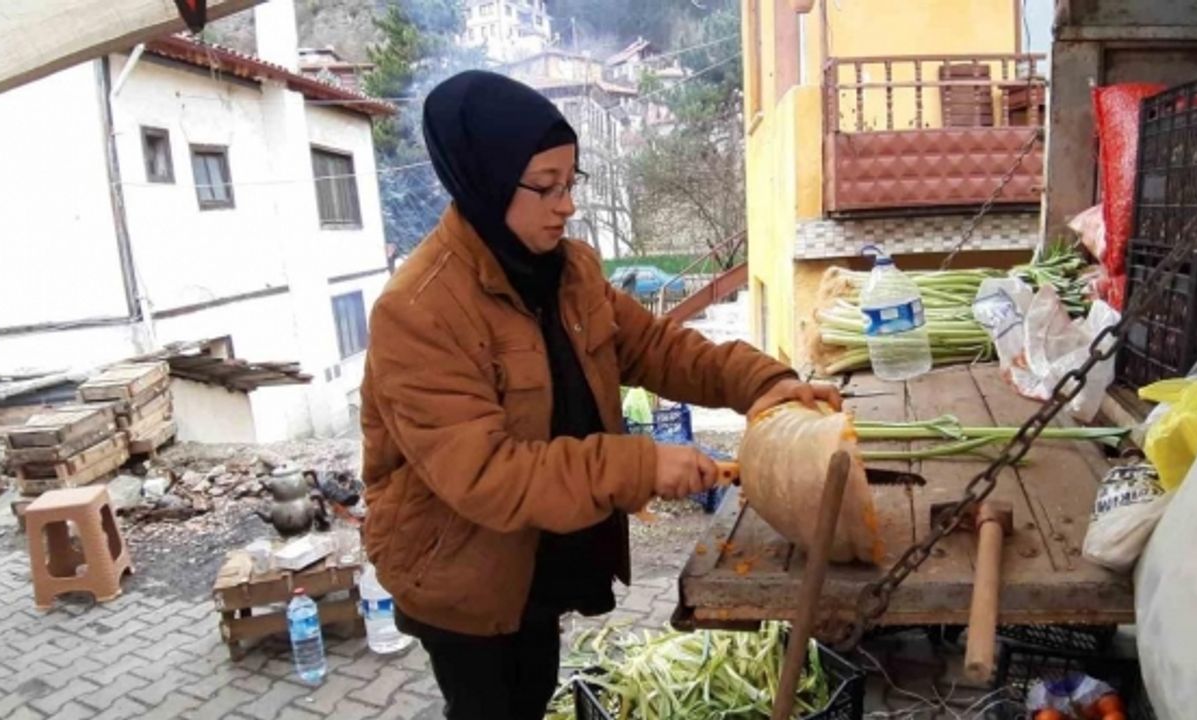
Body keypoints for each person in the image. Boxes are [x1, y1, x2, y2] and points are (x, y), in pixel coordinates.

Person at [359, 71, 840, 720]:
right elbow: (486, 473)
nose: (567, 205)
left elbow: (657, 349)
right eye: (546, 187)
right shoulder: (418, 312)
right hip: (462, 567)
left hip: (538, 545)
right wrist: (641, 465)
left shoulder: (570, 268)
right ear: (485, 182)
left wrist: (763, 381)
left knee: (531, 684)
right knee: (496, 703)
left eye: (571, 182)